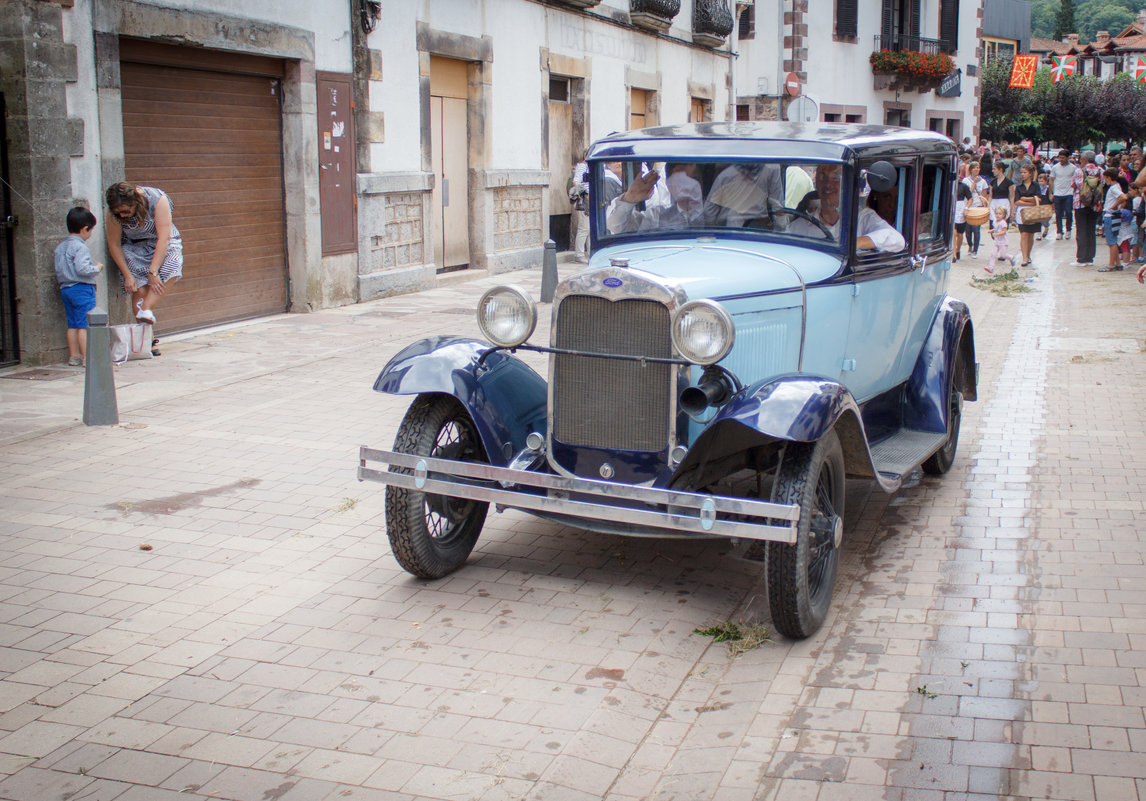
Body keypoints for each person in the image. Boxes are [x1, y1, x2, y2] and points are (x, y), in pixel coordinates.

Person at [105, 182, 182, 326]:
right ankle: (146, 341)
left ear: (135, 201)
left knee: (173, 265)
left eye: (126, 211)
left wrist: (153, 271)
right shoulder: (114, 214)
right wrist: (127, 275)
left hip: (163, 241)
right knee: (139, 290)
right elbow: (114, 244)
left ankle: (146, 308)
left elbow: (163, 238)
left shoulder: (157, 199)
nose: (122, 215)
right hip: (134, 247)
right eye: (118, 213)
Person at [787, 164, 905, 252]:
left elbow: (896, 239)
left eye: (836, 177)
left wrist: (851, 243)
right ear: (816, 182)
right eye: (822, 176)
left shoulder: (861, 217)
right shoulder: (799, 226)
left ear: (846, 183)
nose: (828, 184)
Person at [53, 207, 103, 367]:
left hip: (66, 289)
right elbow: (83, 269)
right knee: (85, 323)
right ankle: (87, 357)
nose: (90, 234)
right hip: (81, 289)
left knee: (73, 323)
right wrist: (97, 268)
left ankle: (74, 356)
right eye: (91, 230)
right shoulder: (81, 247)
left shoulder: (60, 247)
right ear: (84, 229)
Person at [703, 162, 784, 227]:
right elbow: (778, 205)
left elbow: (709, 211)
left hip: (731, 233)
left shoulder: (726, 175)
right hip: (757, 230)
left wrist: (713, 232)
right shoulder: (772, 167)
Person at [1072, 151, 1103, 267]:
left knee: (1081, 230)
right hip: (1095, 204)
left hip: (1081, 203)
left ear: (1084, 159)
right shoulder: (1100, 171)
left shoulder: (1079, 171)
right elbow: (1102, 185)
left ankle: (1081, 258)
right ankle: (1090, 257)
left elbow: (1076, 185)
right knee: (1091, 230)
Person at [1011, 164, 1042, 267]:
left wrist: (1025, 199)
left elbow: (1038, 198)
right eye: (1021, 172)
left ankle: (1028, 255)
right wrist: (1030, 200)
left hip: (1033, 212)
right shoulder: (1019, 187)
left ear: (1030, 174)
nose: (1022, 174)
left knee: (1030, 234)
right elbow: (1017, 201)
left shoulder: (1036, 185)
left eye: (1025, 172)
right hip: (1022, 213)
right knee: (1024, 234)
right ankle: (1024, 257)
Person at [961, 161, 990, 259]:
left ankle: (975, 250)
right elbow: (968, 192)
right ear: (971, 170)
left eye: (978, 167)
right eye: (974, 168)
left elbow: (984, 194)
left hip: (978, 206)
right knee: (968, 230)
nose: (976, 169)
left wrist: (984, 206)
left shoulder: (983, 181)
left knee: (976, 229)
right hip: (968, 206)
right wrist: (974, 182)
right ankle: (970, 244)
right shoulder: (966, 180)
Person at [1099, 168, 1125, 273]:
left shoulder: (1113, 188)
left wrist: (1114, 206)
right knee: (1113, 240)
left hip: (1110, 215)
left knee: (1111, 242)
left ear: (1108, 178)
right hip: (1114, 215)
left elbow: (1123, 197)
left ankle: (1111, 264)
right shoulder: (1117, 186)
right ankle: (1117, 263)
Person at [1049, 149, 1079, 240]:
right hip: (1058, 193)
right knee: (1058, 213)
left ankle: (1068, 230)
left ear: (1067, 158)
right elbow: (1051, 180)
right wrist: (1051, 193)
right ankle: (1059, 231)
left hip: (1069, 193)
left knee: (1069, 212)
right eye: (1060, 158)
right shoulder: (1055, 168)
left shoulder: (1073, 168)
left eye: (1063, 158)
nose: (1061, 159)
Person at [569, 151, 589, 263]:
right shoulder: (582, 167)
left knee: (590, 229)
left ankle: (591, 253)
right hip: (585, 199)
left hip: (592, 200)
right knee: (584, 228)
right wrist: (585, 193)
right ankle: (579, 254)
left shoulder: (592, 166)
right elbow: (576, 182)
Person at [988, 203, 1015, 273]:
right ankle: (991, 267)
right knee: (993, 254)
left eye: (1000, 214)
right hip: (996, 241)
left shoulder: (1003, 223)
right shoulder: (995, 222)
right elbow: (996, 229)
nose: (998, 215)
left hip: (1003, 242)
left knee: (1003, 255)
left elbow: (1004, 231)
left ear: (1003, 215)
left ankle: (1011, 257)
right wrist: (992, 231)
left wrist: (996, 234)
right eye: (996, 213)